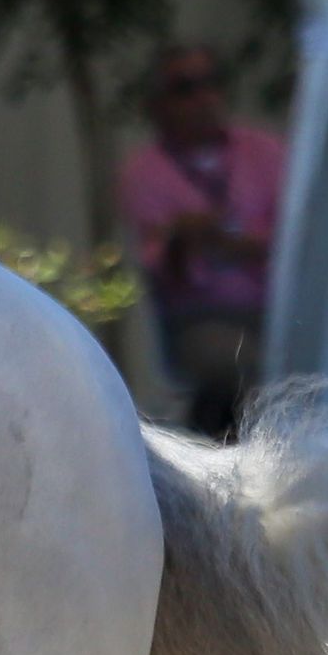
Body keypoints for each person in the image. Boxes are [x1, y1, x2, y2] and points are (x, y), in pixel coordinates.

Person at [116, 43, 285, 438]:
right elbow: (158, 270)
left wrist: (227, 244)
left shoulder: (266, 152)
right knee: (242, 366)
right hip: (200, 318)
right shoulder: (143, 172)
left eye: (211, 83)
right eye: (185, 87)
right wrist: (181, 238)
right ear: (159, 103)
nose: (202, 97)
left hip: (280, 309)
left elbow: (301, 238)